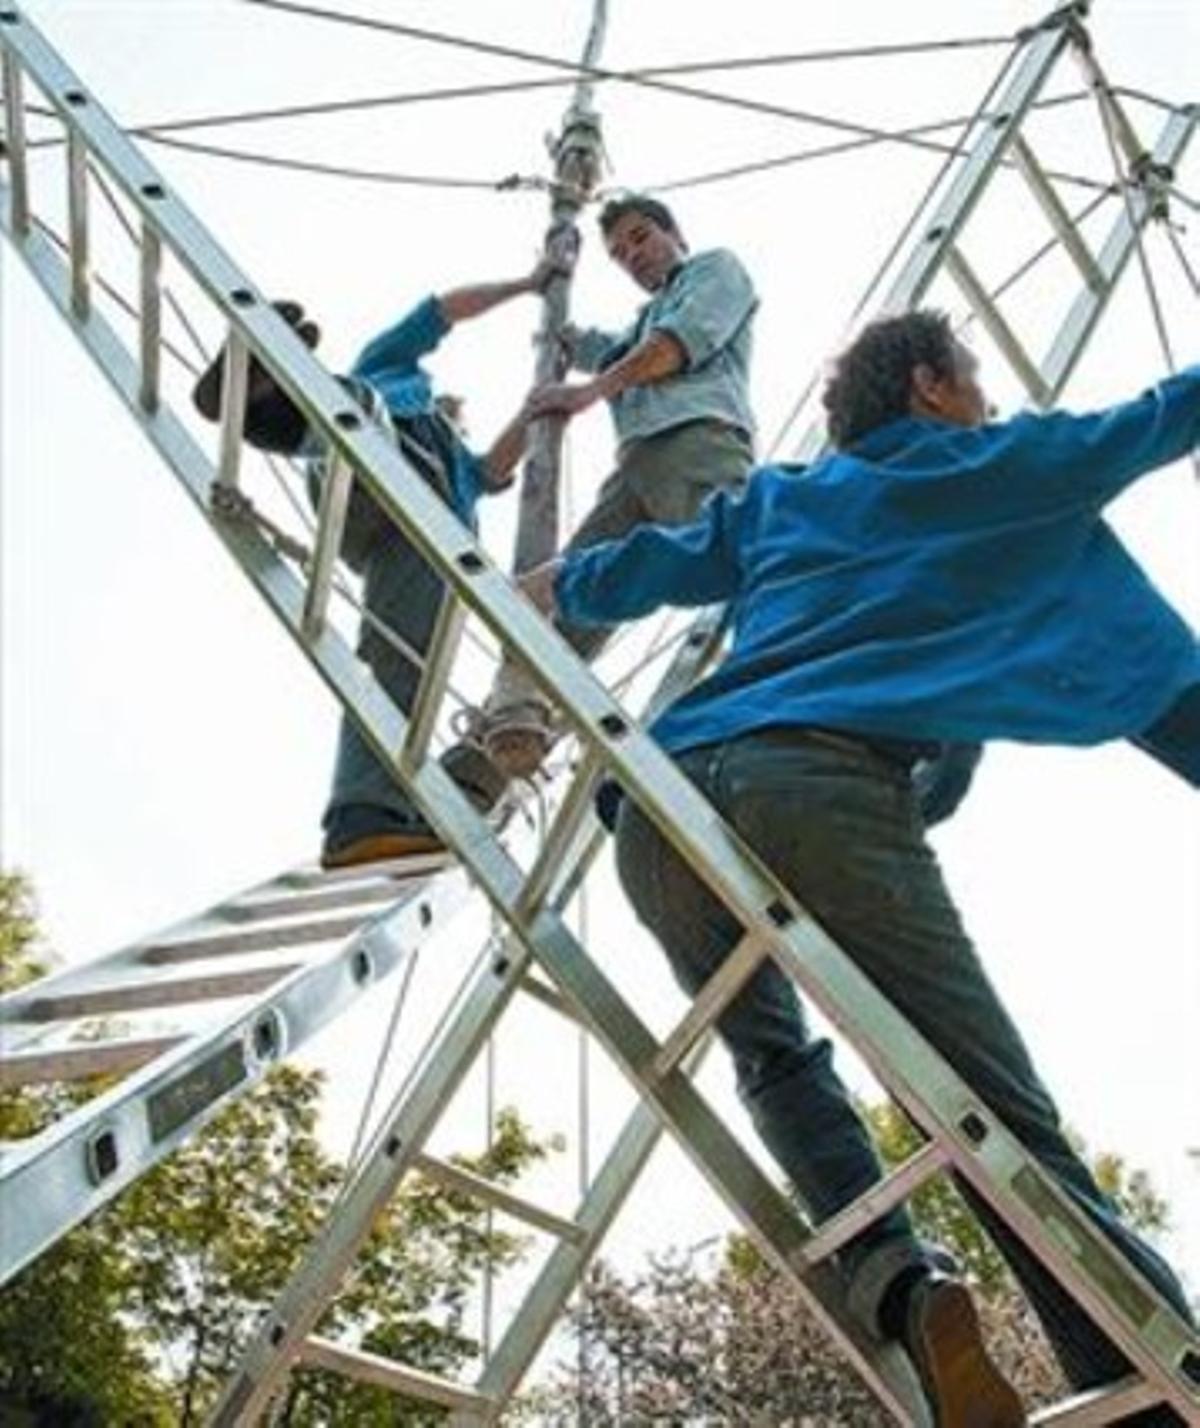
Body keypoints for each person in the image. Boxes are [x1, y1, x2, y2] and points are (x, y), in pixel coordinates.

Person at [520, 311, 1199, 1424]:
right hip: (816, 787)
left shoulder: (786, 495)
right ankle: (1146, 1386)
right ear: (930, 386)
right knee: (988, 1111)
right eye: (972, 378)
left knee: (772, 1057)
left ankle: (901, 1286)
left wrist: (556, 585)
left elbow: (656, 561)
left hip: (658, 804)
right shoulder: (999, 465)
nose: (985, 399)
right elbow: (1160, 418)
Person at [193, 260, 559, 869]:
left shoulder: (455, 467)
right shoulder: (387, 373)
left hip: (419, 542)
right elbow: (443, 311)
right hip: (358, 471)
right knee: (359, 406)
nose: (451, 411)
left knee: (405, 664)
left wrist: (541, 408)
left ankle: (371, 812)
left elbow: (492, 469)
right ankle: (276, 388)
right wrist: (528, 284)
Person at [475, 193, 759, 779]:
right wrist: (553, 304)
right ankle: (506, 734)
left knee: (747, 564)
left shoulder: (714, 270)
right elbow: (599, 346)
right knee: (563, 596)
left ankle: (791, 693)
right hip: (634, 469)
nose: (632, 255)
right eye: (619, 252)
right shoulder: (638, 325)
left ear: (673, 233)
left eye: (639, 238)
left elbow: (672, 350)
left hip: (694, 441)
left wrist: (584, 394)